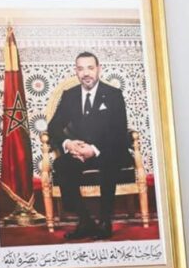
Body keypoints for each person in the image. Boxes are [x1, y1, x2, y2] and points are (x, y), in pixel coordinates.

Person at [48, 51, 130, 240]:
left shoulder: (113, 95)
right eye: (81, 69)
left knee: (109, 163)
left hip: (108, 150)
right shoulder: (70, 95)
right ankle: (85, 221)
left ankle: (105, 221)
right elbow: (54, 126)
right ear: (76, 71)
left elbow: (119, 131)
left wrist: (93, 150)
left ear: (99, 69)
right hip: (80, 152)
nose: (86, 73)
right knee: (61, 164)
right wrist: (69, 144)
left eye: (90, 68)